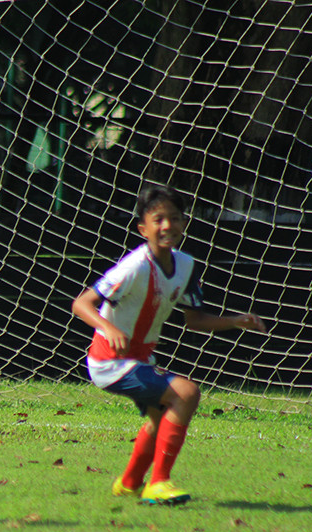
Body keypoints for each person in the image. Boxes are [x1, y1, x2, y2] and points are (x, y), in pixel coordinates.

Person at [71, 185, 267, 505]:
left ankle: (130, 482)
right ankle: (159, 482)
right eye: (158, 219)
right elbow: (82, 304)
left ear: (184, 223)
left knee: (160, 416)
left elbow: (195, 320)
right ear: (142, 228)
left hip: (140, 359)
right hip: (109, 361)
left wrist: (234, 321)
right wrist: (108, 329)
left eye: (174, 218)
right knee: (186, 393)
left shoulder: (186, 265)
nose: (167, 226)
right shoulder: (134, 267)